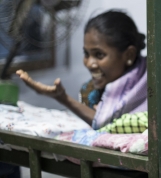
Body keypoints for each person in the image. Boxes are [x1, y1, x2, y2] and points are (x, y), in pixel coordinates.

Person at [15, 10, 148, 130]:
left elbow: (103, 122)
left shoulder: (152, 85)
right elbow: (101, 120)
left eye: (99, 54)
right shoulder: (91, 92)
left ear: (129, 55)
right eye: (86, 54)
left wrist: (63, 98)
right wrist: (61, 97)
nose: (89, 63)